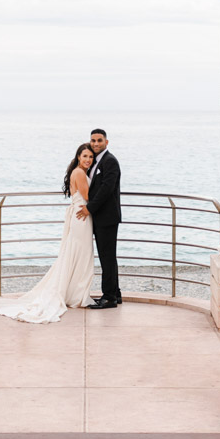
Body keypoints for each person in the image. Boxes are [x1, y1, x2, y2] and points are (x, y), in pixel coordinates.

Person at [0, 143, 96, 323]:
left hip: (78, 214)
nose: (88, 160)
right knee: (80, 255)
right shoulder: (80, 173)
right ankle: (76, 295)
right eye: (85, 156)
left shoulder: (78, 172)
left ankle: (73, 293)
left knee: (75, 254)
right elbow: (89, 197)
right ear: (78, 157)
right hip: (81, 216)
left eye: (90, 157)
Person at [77, 128, 122, 309]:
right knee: (108, 257)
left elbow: (106, 189)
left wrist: (89, 208)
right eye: (93, 140)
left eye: (99, 140)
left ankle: (109, 297)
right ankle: (115, 293)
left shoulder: (110, 161)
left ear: (106, 142)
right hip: (100, 217)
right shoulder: (96, 161)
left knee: (107, 258)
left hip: (107, 217)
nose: (96, 144)